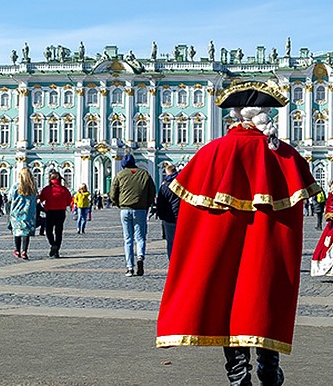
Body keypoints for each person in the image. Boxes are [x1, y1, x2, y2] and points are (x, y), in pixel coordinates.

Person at [158, 82, 320, 386]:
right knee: (266, 297)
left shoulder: (212, 153)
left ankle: (238, 376)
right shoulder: (283, 155)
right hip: (269, 249)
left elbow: (188, 213)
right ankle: (268, 369)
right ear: (263, 116)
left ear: (235, 116)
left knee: (227, 299)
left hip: (223, 248)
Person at [111, 153, 157, 277]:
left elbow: (113, 193)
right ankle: (140, 257)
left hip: (125, 209)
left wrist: (119, 204)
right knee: (140, 237)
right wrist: (146, 205)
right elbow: (152, 191)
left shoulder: (120, 175)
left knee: (128, 239)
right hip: (140, 210)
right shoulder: (144, 174)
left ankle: (130, 267)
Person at [37, 171, 73, 258]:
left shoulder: (47, 189)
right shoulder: (64, 189)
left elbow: (41, 199)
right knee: (58, 232)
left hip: (50, 212)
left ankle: (53, 245)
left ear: (50, 179)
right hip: (61, 212)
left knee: (49, 231)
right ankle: (56, 251)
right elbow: (69, 201)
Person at [9, 167, 38, 260]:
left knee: (17, 232)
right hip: (29, 213)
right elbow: (36, 198)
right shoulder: (33, 187)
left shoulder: (15, 186)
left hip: (16, 213)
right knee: (26, 233)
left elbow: (10, 198)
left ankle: (17, 250)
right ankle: (24, 251)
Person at [155, 163, 180, 258]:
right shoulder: (183, 184)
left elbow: (161, 203)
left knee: (170, 242)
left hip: (169, 218)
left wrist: (161, 215)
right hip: (181, 217)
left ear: (168, 173)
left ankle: (172, 262)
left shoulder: (165, 186)